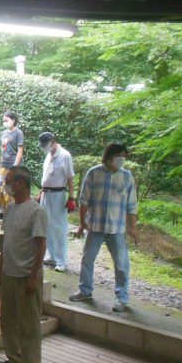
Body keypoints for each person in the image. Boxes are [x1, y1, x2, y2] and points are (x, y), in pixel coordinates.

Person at [69, 142, 139, 312]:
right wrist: (82, 222)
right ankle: (85, 291)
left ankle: (121, 299)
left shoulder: (127, 177)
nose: (122, 159)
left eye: (124, 156)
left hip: (117, 229)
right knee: (87, 260)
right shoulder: (94, 173)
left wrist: (132, 227)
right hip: (96, 226)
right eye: (119, 156)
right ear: (109, 157)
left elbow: (132, 205)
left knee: (121, 265)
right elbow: (84, 200)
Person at [0, 165, 47, 363]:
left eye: (9, 180)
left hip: (26, 274)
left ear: (21, 183)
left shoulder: (36, 211)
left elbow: (41, 245)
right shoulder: (10, 208)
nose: (5, 185)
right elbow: (6, 242)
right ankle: (14, 357)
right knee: (8, 319)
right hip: (9, 272)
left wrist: (33, 277)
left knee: (28, 323)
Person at [38, 131, 75, 273]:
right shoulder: (48, 156)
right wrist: (41, 192)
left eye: (46, 144)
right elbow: (46, 176)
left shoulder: (65, 155)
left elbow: (70, 178)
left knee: (59, 228)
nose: (44, 147)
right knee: (47, 227)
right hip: (46, 195)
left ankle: (61, 261)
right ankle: (52, 256)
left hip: (58, 195)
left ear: (52, 141)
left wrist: (71, 198)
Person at [0, 111, 24, 220]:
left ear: (13, 120)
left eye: (7, 120)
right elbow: (3, 150)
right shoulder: (3, 133)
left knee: (9, 189)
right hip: (3, 164)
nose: (4, 122)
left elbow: (20, 150)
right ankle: (0, 212)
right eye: (3, 121)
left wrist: (15, 166)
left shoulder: (18, 133)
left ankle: (11, 213)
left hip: (12, 165)